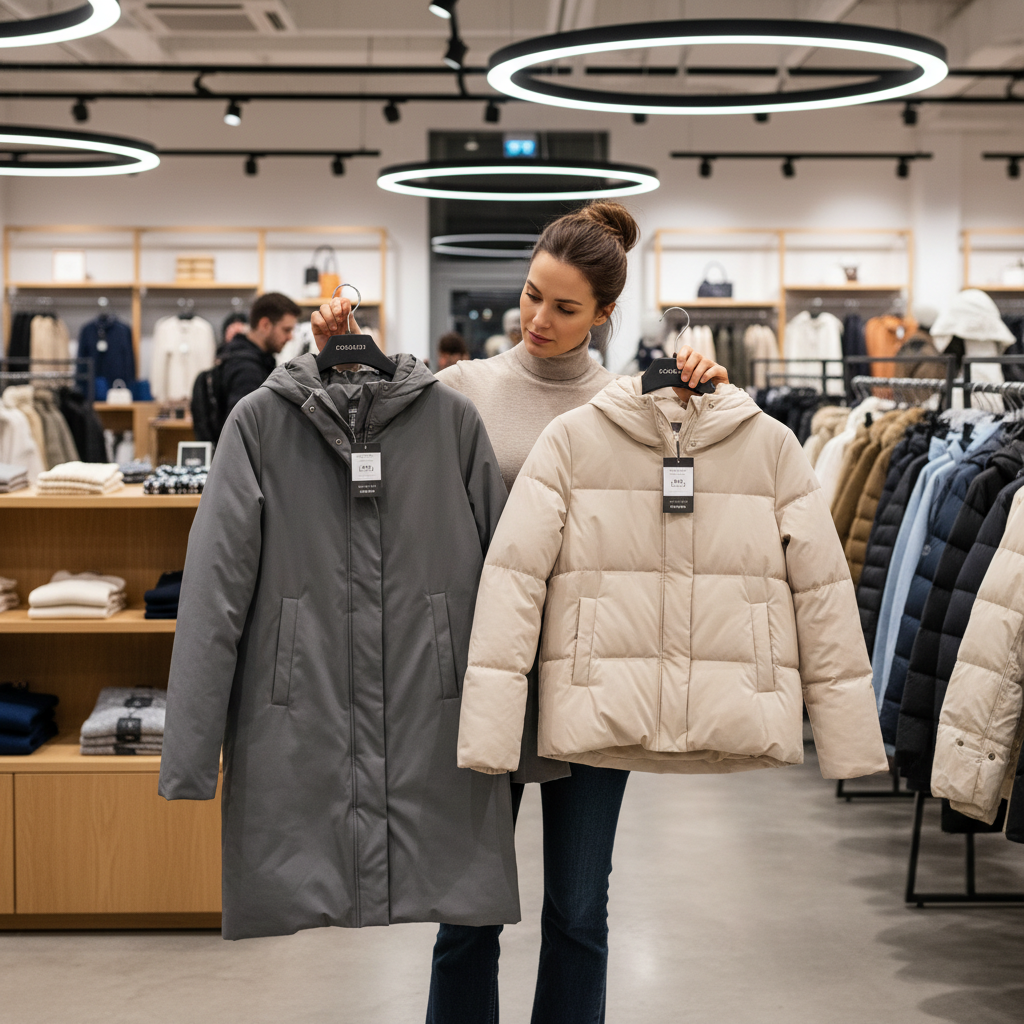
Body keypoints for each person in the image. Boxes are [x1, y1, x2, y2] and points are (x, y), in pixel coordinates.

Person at [313, 200, 728, 1024]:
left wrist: (704, 418)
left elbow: (684, 528)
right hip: (478, 672)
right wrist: (336, 364)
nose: (539, 318)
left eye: (565, 306)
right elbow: (367, 471)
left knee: (578, 911)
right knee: (466, 910)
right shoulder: (461, 389)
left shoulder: (632, 407)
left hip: (593, 673)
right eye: (533, 293)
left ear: (605, 315)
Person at [219, 292, 300, 420]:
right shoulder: (247, 370)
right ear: (265, 325)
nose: (290, 337)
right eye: (286, 330)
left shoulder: (248, 359)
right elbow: (243, 428)